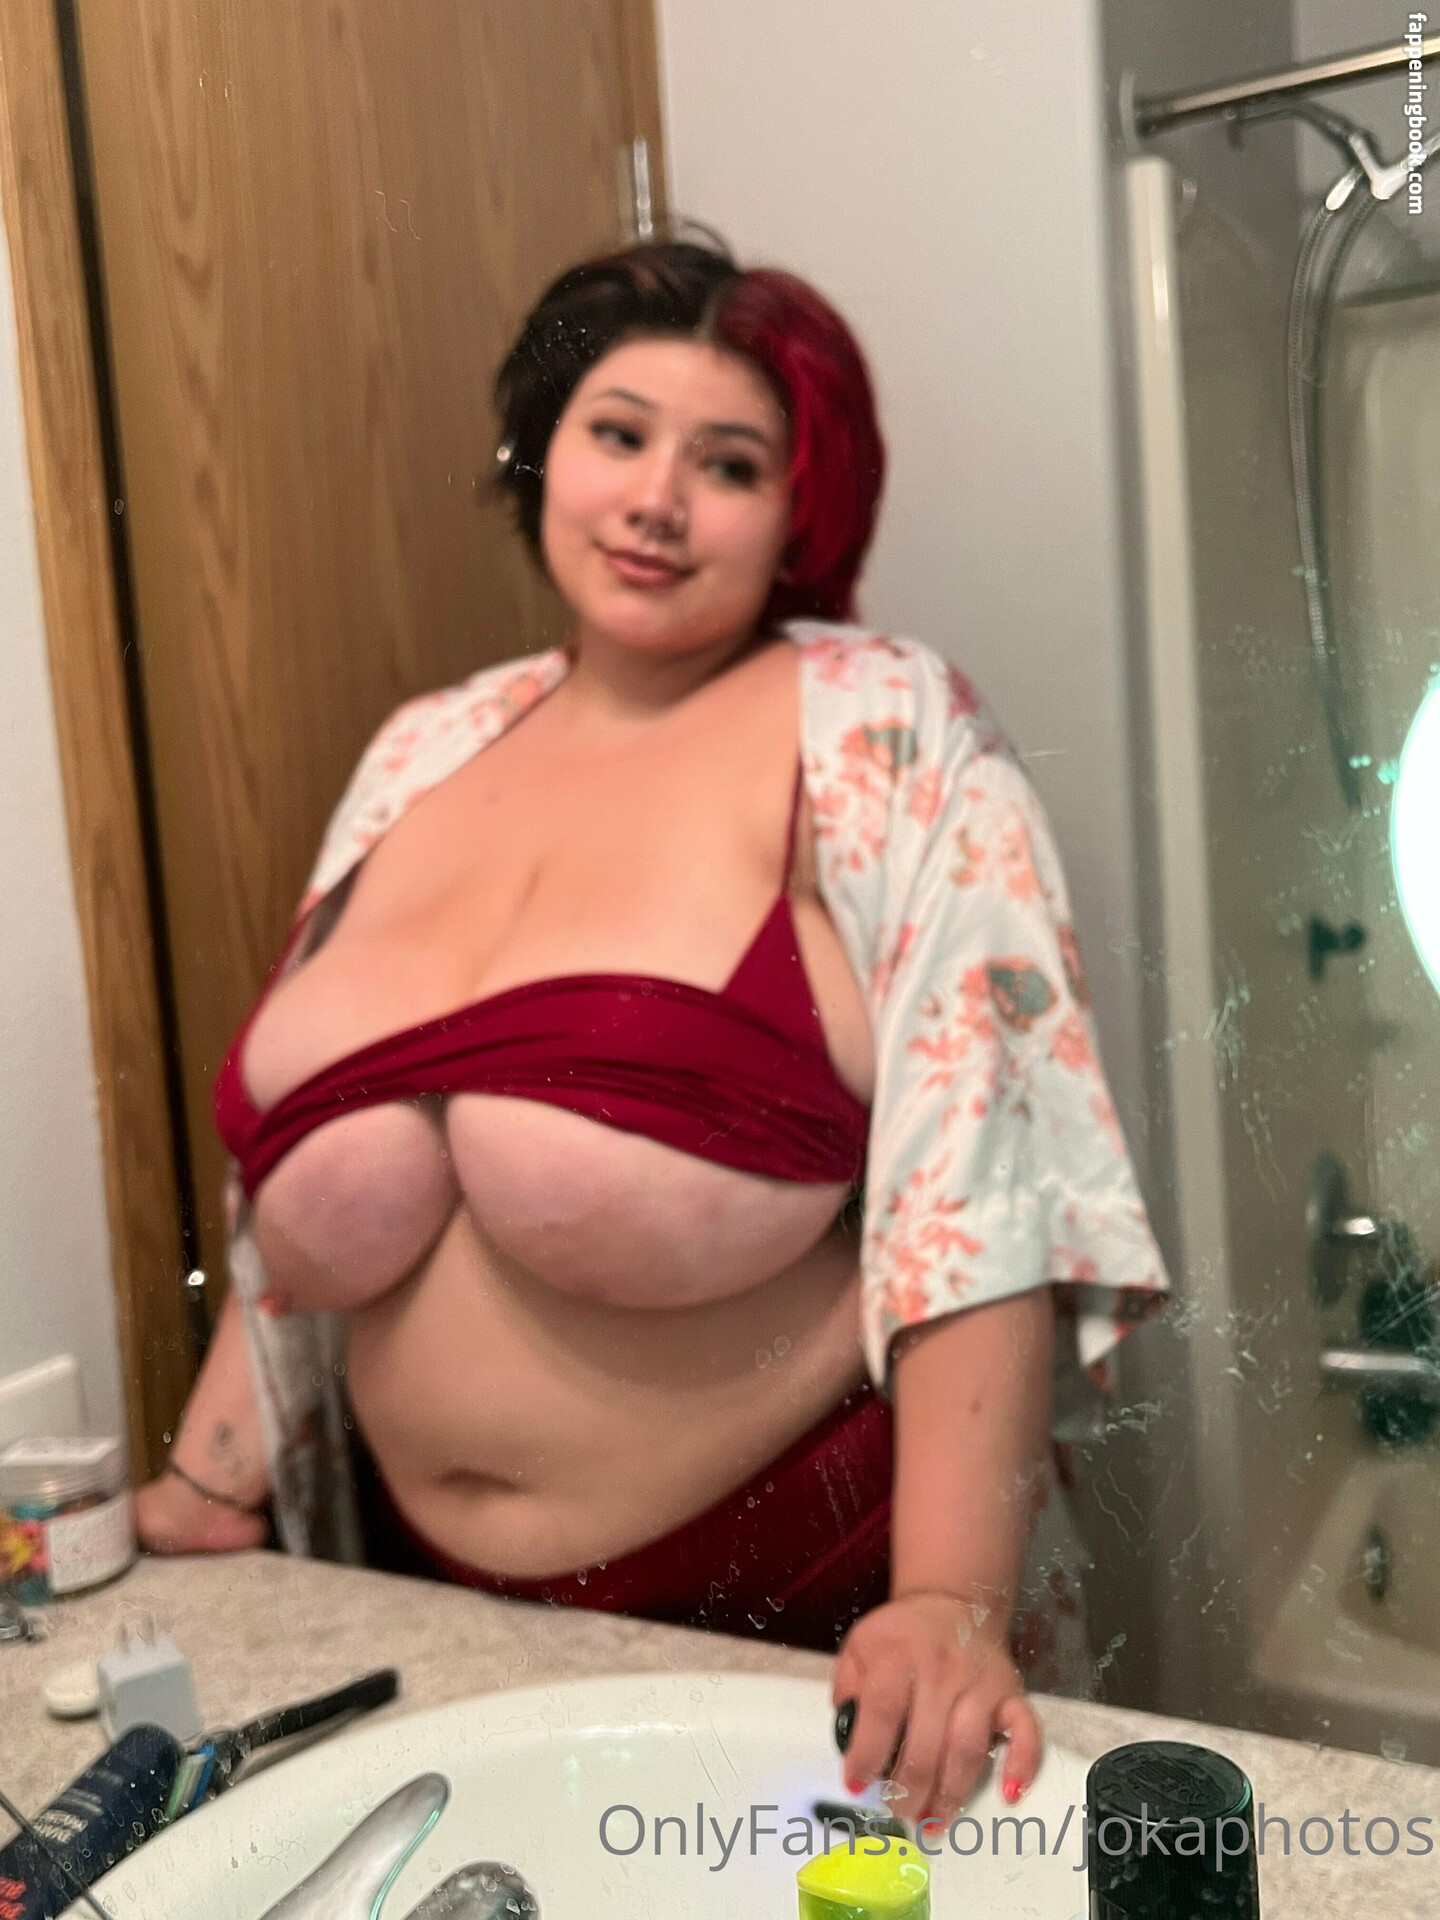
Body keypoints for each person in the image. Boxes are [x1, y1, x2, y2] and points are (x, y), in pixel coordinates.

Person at [135, 236, 1169, 1831]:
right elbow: (288, 1206)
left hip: (799, 1633)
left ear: (803, 509)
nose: (657, 500)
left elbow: (982, 1175)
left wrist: (950, 1604)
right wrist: (210, 1487)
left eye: (730, 463)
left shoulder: (880, 722)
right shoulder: (421, 751)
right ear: (542, 451)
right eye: (616, 434)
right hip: (422, 1625)